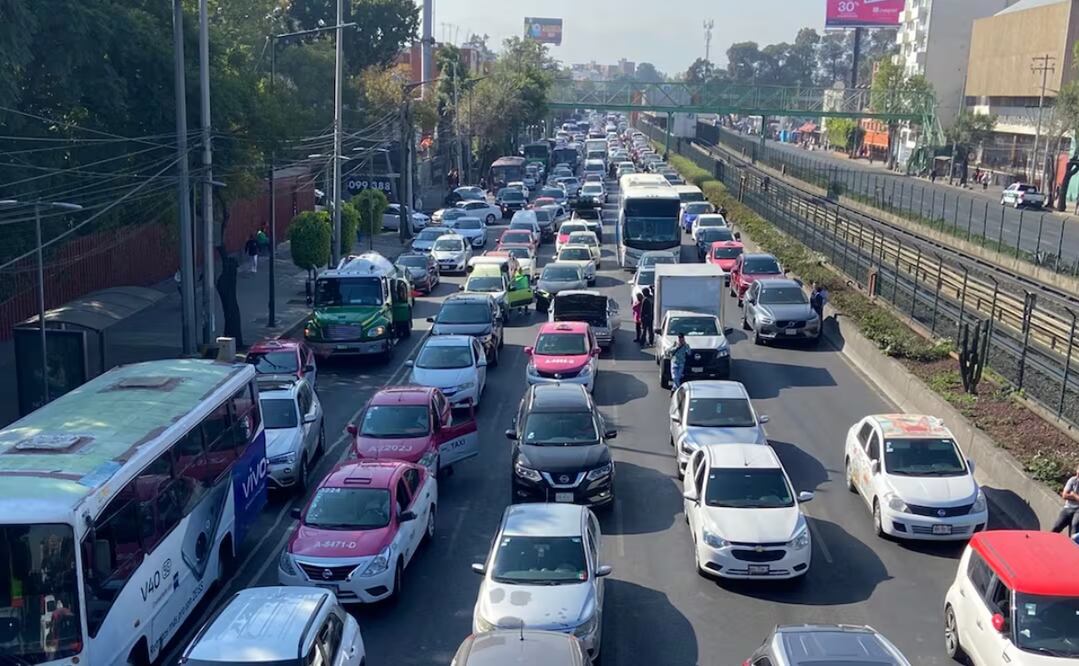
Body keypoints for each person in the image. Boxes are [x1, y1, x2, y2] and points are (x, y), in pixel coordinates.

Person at [1050, 466, 1079, 536]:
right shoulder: (1072, 480)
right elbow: (1064, 495)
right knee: (1057, 526)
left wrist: (1074, 495)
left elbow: (1070, 495)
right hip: (1068, 507)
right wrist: (1076, 498)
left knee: (1074, 527)